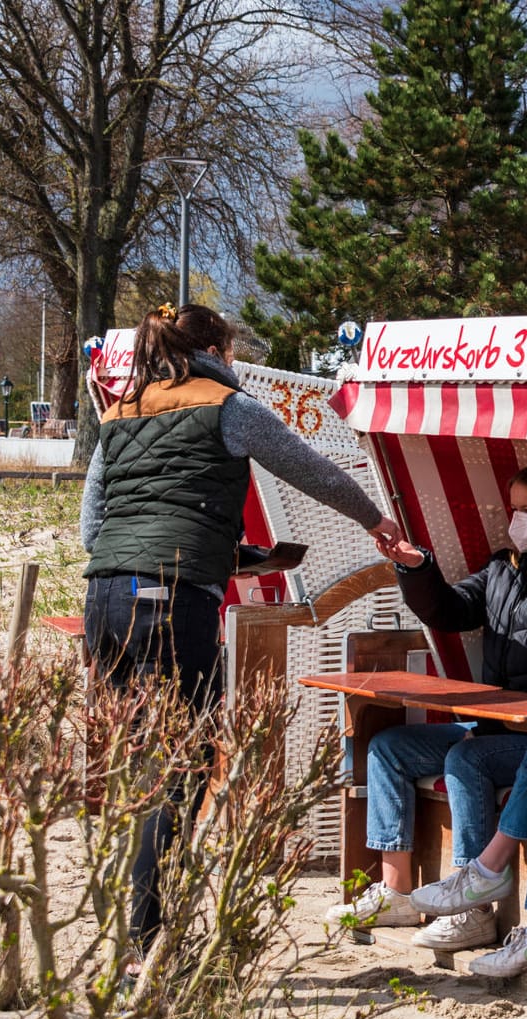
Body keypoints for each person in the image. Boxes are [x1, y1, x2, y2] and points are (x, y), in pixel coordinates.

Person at [80, 302, 403, 960]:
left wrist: (227, 553)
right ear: (216, 349)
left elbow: (94, 529)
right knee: (182, 767)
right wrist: (377, 521)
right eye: (230, 349)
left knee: (130, 764)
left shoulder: (119, 412)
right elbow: (310, 468)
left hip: (104, 598)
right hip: (169, 604)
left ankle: (124, 928)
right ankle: (149, 945)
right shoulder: (226, 404)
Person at [324, 461, 527, 974]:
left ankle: (474, 901)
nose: (516, 521)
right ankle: (395, 893)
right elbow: (449, 611)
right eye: (513, 509)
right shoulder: (503, 568)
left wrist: (512, 714)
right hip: (497, 727)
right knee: (389, 746)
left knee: (468, 757)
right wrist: (416, 566)